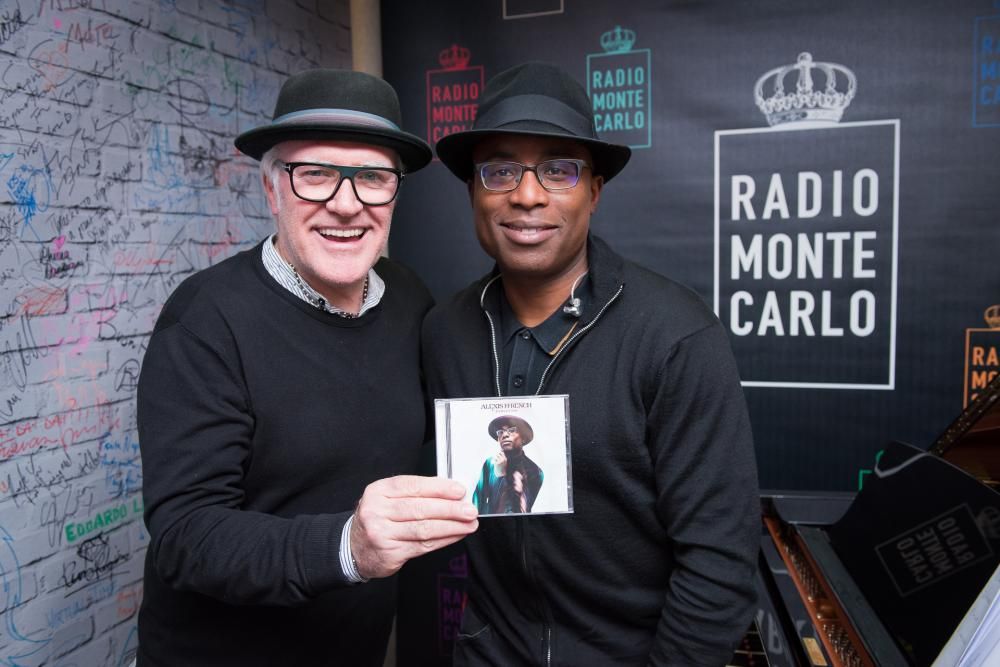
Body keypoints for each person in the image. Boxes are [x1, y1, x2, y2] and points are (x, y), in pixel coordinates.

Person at [135, 69, 478, 667]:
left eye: (372, 178)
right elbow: (185, 536)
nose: (346, 205)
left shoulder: (408, 298)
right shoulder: (205, 320)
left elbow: (436, 429)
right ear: (272, 190)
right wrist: (348, 547)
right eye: (314, 174)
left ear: (394, 195)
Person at [424, 62, 760, 665]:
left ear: (594, 192)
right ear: (473, 190)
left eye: (559, 170)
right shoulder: (443, 332)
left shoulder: (676, 335)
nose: (527, 195)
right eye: (499, 170)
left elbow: (719, 564)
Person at [473, 415, 544, 514]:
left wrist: (502, 476)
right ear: (498, 439)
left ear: (523, 438)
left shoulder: (535, 471)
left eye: (512, 430)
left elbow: (521, 510)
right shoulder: (490, 464)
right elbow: (476, 504)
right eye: (500, 432)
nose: (505, 435)